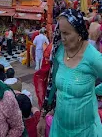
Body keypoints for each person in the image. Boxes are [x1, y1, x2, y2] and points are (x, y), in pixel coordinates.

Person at [37, 9, 102, 137]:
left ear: (79, 34)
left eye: (66, 33)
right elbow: (52, 84)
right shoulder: (59, 51)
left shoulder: (93, 58)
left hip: (85, 132)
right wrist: (43, 117)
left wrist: (97, 91)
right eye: (61, 33)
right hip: (59, 129)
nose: (62, 38)